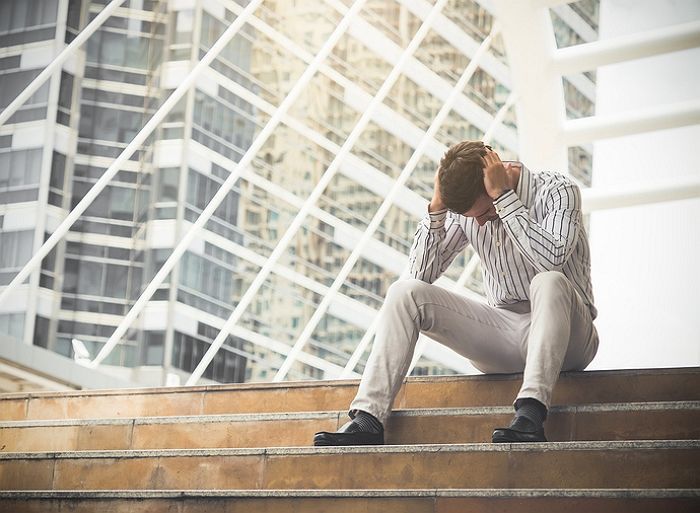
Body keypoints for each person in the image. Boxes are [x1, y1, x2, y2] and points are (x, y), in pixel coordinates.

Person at [313, 140, 599, 446]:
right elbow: (420, 276)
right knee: (405, 292)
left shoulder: (558, 191)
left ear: (499, 175)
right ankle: (368, 420)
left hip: (569, 335)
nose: (479, 221)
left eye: (485, 211)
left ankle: (531, 413)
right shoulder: (470, 212)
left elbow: (549, 260)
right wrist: (436, 211)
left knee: (549, 281)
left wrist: (503, 200)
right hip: (505, 335)